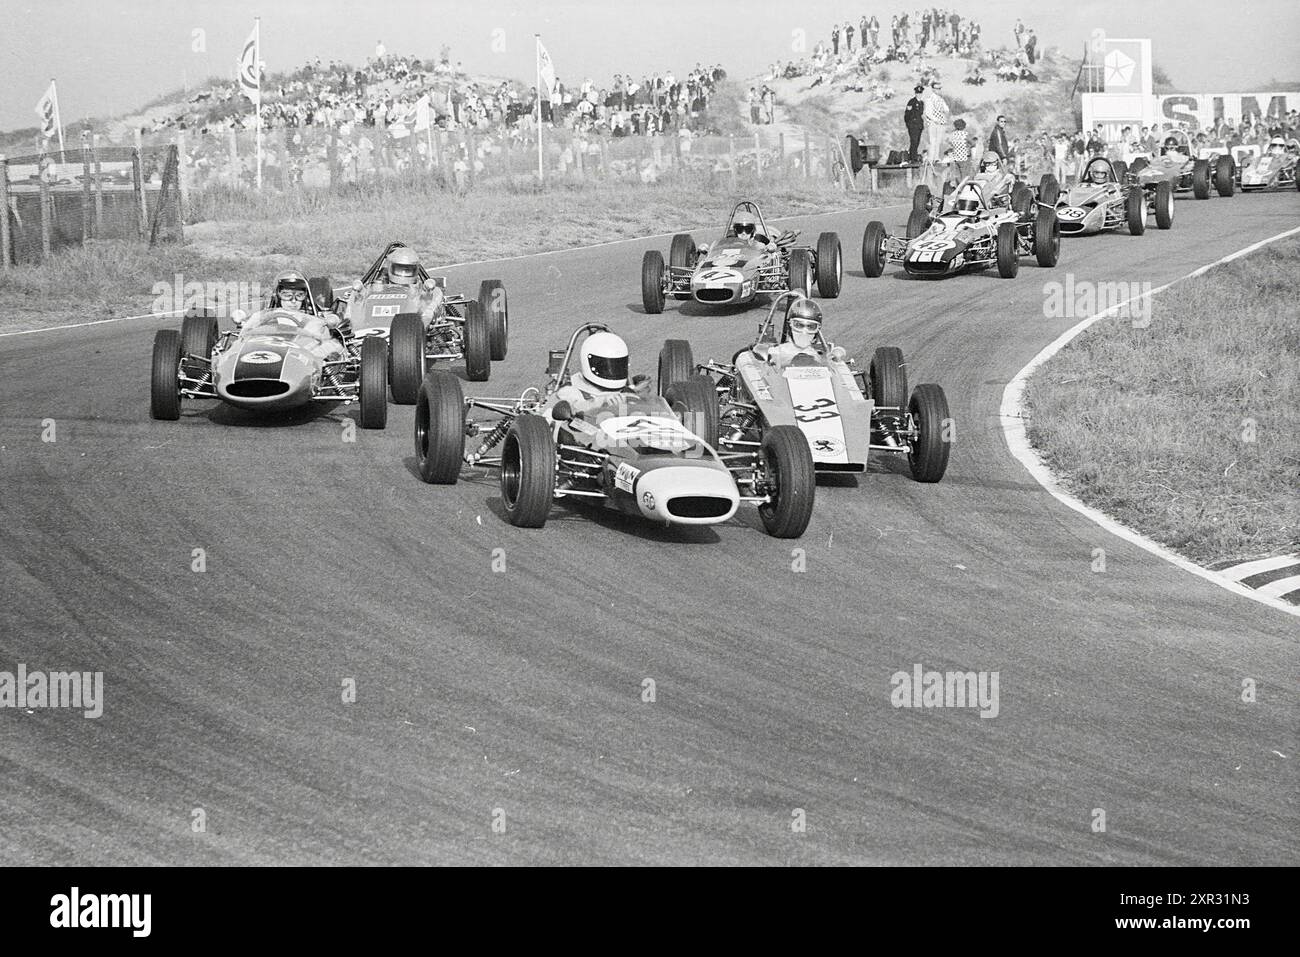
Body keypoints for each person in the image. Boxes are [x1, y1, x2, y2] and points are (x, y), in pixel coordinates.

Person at [548, 331, 649, 420]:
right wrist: (602, 402)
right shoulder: (571, 390)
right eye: (605, 366)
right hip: (589, 436)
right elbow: (572, 410)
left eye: (617, 365)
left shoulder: (625, 392)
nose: (611, 370)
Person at [904, 85, 926, 162]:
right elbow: (907, 114)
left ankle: (912, 156)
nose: (919, 94)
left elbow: (920, 114)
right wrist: (908, 124)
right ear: (915, 93)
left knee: (917, 142)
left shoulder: (921, 103)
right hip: (913, 125)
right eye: (917, 93)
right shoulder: (912, 102)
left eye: (920, 93)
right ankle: (913, 158)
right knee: (914, 141)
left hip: (919, 125)